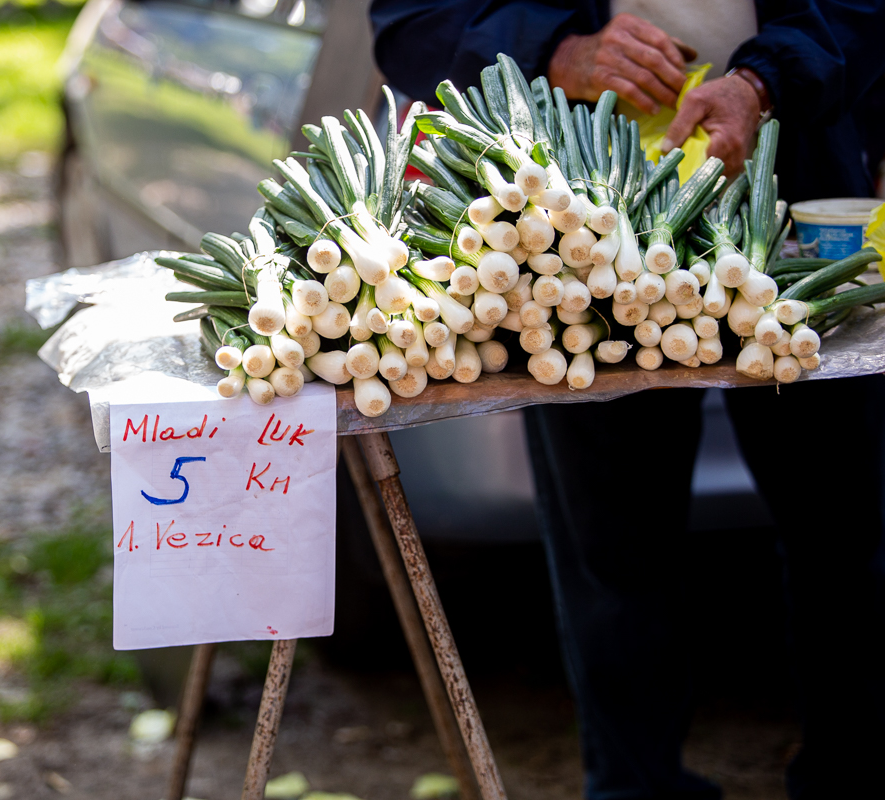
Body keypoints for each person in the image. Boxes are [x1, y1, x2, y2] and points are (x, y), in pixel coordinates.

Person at [368, 2, 885, 798]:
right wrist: (553, 49)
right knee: (611, 555)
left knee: (844, 534)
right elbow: (409, 19)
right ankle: (635, 788)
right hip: (569, 245)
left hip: (802, 206)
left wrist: (766, 80)